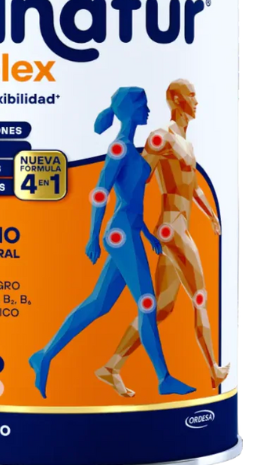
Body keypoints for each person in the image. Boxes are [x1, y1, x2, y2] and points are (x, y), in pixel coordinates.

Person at [29, 87, 195, 399]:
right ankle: (164, 379)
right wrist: (92, 237)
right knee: (148, 303)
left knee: (98, 304)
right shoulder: (119, 148)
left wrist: (147, 235)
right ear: (130, 110)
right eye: (143, 105)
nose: (148, 111)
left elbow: (132, 204)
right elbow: (100, 193)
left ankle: (44, 355)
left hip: (129, 231)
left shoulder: (130, 149)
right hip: (120, 235)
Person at [96, 80, 229, 397]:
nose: (196, 102)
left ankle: (111, 366)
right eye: (191, 96)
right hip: (171, 227)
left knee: (162, 308)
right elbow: (139, 176)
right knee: (200, 295)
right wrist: (129, 218)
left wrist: (211, 215)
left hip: (180, 225)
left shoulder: (185, 143)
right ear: (176, 100)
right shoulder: (161, 137)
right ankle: (213, 369)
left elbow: (192, 186)